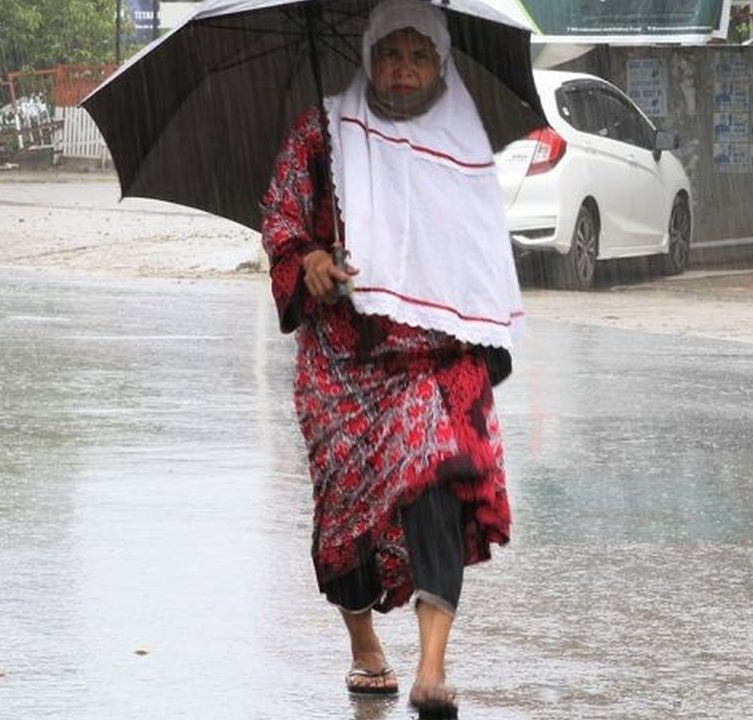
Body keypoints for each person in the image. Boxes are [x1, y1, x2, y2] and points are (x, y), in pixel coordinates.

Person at [259, 1, 524, 716]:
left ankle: (432, 668)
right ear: (368, 57)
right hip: (341, 363)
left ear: (441, 63)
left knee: (435, 477)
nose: (402, 69)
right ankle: (362, 643)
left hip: (429, 362)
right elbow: (281, 222)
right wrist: (310, 258)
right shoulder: (322, 130)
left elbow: (477, 258)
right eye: (389, 54)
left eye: (419, 55)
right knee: (344, 512)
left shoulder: (462, 148)